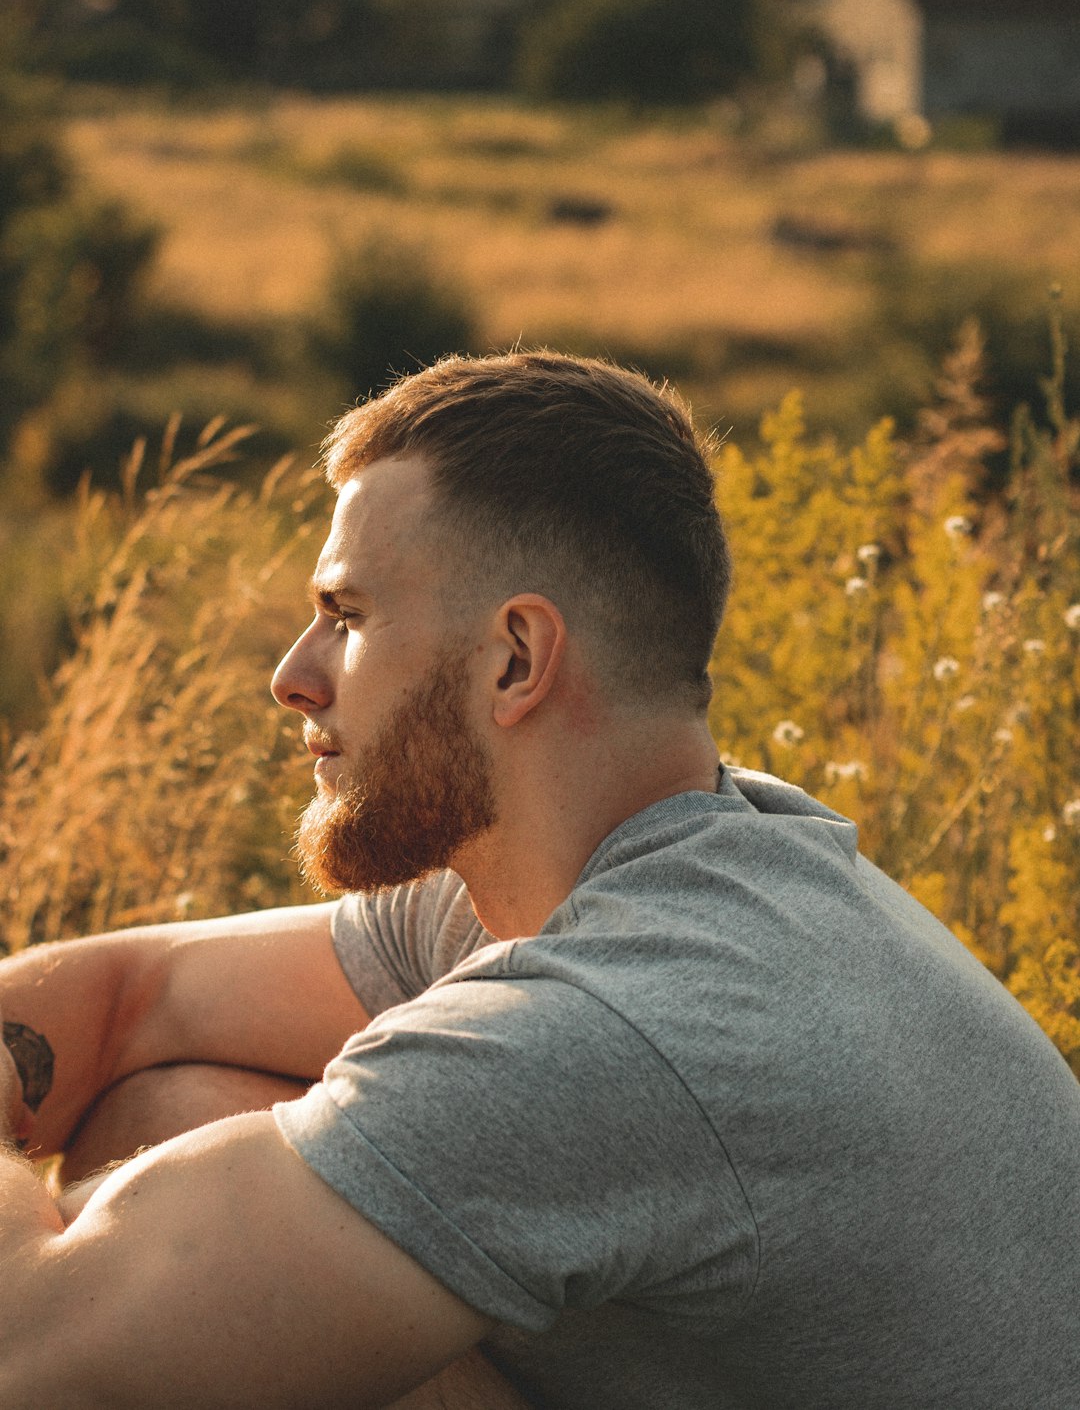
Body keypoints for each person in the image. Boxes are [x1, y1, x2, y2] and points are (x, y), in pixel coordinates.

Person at [1, 351, 1079, 1410]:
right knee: (175, 1105)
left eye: (350, 616)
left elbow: (31, 1356)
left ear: (516, 658)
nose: (294, 677)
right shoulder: (657, 863)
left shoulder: (629, 1028)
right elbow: (145, 996)